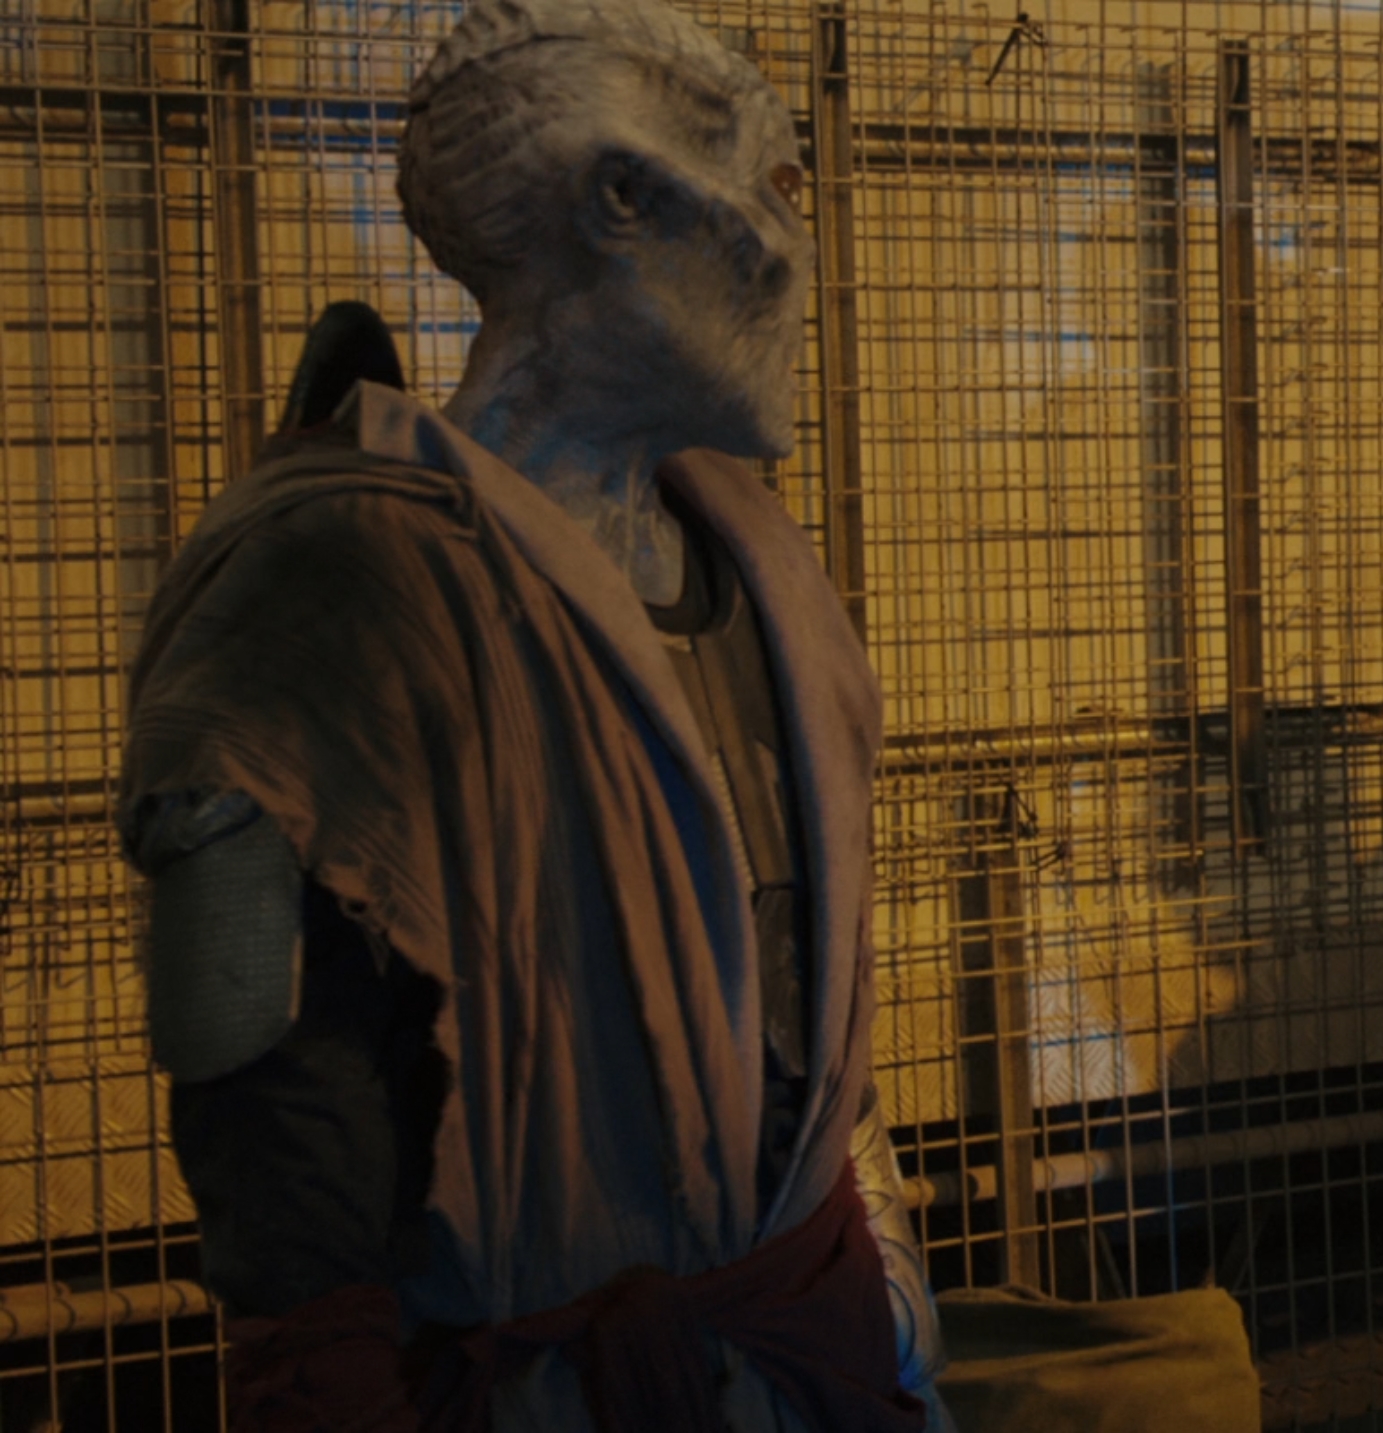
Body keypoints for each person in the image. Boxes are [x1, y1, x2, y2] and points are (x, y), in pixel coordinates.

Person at [114, 1, 950, 1427]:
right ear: (619, 199)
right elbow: (268, 1081)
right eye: (769, 187)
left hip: (801, 1351)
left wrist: (887, 1323)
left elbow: (816, 1024)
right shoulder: (335, 583)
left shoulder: (758, 555)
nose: (795, 254)